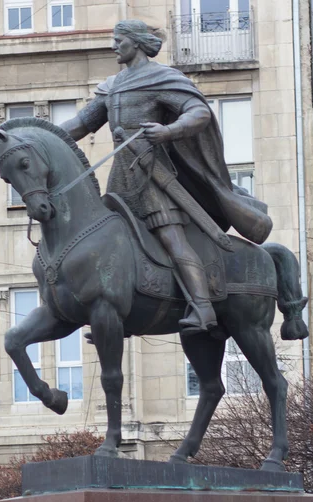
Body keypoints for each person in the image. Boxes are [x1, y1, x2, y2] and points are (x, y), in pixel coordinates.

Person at [61, 19, 272, 335]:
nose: (113, 45)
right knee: (110, 243)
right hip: (121, 178)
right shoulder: (112, 86)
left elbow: (198, 112)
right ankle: (116, 307)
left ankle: (202, 307)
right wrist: (37, 134)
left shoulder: (161, 79)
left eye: (119, 40)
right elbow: (79, 125)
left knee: (172, 239)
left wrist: (169, 130)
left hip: (154, 175)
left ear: (137, 42)